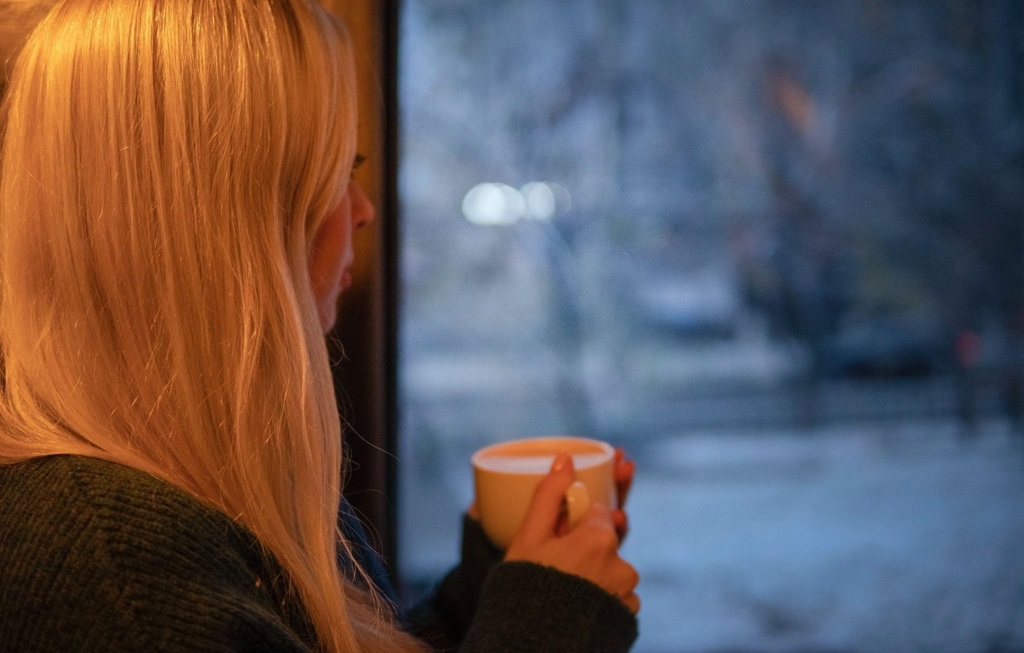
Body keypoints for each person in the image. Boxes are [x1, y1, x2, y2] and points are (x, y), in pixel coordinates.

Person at [0, 1, 640, 651]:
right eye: (333, 174)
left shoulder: (201, 491)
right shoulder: (115, 575)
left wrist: (495, 586)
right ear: (225, 227)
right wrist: (549, 625)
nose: (362, 211)